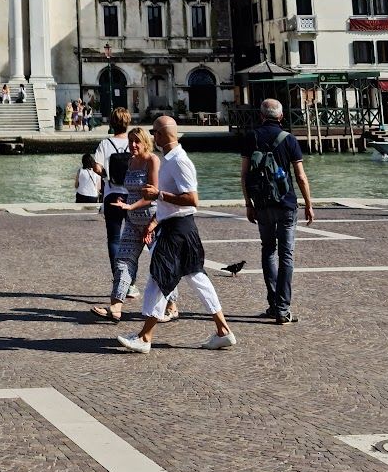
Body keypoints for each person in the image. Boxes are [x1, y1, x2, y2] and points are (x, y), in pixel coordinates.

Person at [115, 115, 236, 354]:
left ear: (161, 135)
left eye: (154, 132)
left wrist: (158, 195)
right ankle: (223, 331)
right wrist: (156, 217)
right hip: (179, 227)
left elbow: (192, 199)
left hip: (178, 230)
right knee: (197, 278)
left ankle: (144, 337)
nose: (152, 136)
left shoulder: (179, 161)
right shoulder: (170, 160)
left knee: (158, 279)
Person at [241, 98, 313, 324]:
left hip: (261, 203)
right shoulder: (289, 139)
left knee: (268, 250)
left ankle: (273, 304)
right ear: (281, 117)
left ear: (261, 116)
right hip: (286, 203)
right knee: (286, 255)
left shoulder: (250, 137)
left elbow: (243, 175)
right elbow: (300, 176)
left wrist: (248, 203)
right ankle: (283, 309)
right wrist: (309, 203)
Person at [91, 123, 159, 321]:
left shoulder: (152, 161)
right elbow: (132, 189)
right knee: (123, 261)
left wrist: (132, 206)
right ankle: (116, 307)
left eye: (137, 141)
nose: (133, 145)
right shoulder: (131, 161)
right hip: (132, 220)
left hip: (151, 221)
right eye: (130, 142)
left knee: (160, 262)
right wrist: (126, 201)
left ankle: (171, 304)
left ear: (146, 142)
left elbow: (153, 194)